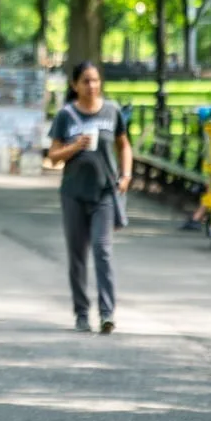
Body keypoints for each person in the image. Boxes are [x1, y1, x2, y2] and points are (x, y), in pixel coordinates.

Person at [47, 60, 132, 334]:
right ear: (75, 85)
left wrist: (127, 174)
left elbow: (124, 144)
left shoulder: (111, 111)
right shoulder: (66, 116)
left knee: (102, 251)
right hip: (73, 193)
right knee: (77, 255)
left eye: (95, 80)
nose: (91, 86)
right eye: (85, 81)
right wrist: (75, 146)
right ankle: (82, 313)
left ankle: (107, 313)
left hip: (105, 193)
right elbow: (53, 156)